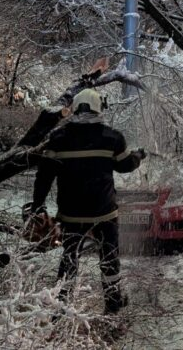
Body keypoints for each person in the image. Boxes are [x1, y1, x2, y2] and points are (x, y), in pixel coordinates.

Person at [30, 88, 146, 314]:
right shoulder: (112, 138)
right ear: (99, 108)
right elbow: (124, 166)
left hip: (71, 213)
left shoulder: (58, 138)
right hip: (104, 212)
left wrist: (38, 205)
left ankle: (62, 304)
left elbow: (44, 176)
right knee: (109, 255)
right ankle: (113, 303)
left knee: (69, 257)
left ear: (74, 108)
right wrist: (138, 156)